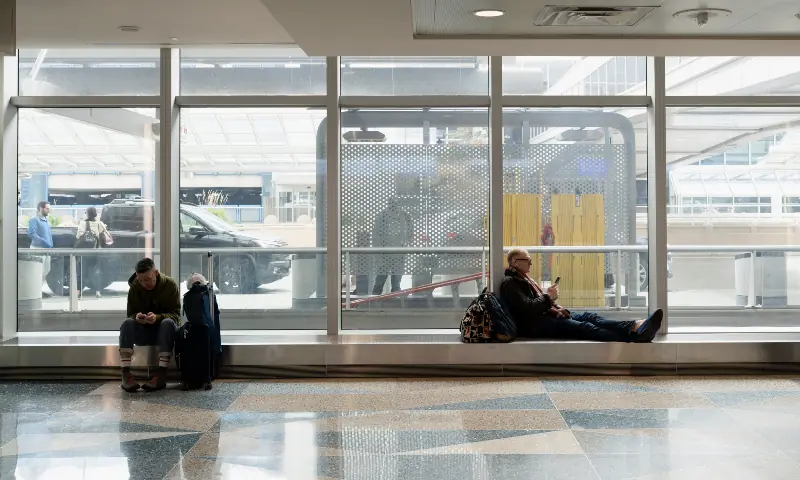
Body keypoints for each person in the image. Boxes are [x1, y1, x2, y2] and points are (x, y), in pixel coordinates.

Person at [500, 248, 663, 342]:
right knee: (586, 327)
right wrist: (548, 297)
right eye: (527, 259)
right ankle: (634, 335)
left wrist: (548, 299)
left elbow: (534, 304)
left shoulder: (523, 280)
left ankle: (634, 325)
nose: (530, 262)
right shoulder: (510, 283)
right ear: (515, 262)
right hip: (536, 325)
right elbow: (527, 309)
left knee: (590, 317)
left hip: (544, 317)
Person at [118, 258, 181, 392]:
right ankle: (126, 373)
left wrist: (158, 318)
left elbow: (176, 317)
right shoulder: (135, 287)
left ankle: (161, 373)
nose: (144, 283)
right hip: (143, 331)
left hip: (164, 333)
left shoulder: (170, 285)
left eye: (147, 279)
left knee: (168, 323)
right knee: (127, 323)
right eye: (140, 280)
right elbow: (130, 315)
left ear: (156, 273)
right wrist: (137, 317)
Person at [371, 197, 413, 295]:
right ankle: (373, 304)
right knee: (379, 282)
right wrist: (378, 254)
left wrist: (407, 243)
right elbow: (376, 236)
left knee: (396, 284)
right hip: (385, 254)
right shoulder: (381, 217)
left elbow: (410, 232)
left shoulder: (405, 216)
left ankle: (395, 304)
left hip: (399, 254)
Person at [75, 206, 110, 298]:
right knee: (97, 271)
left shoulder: (83, 223)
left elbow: (78, 236)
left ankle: (78, 293)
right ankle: (98, 292)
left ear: (87, 213)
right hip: (97, 252)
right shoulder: (99, 223)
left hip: (85, 252)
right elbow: (104, 233)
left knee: (82, 272)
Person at [27, 201, 53, 295]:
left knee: (44, 272)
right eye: (47, 208)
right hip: (38, 249)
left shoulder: (46, 220)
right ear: (41, 208)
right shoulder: (34, 219)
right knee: (37, 271)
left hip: (46, 250)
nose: (49, 210)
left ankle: (39, 291)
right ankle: (35, 292)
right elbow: (31, 234)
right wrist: (44, 242)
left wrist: (50, 245)